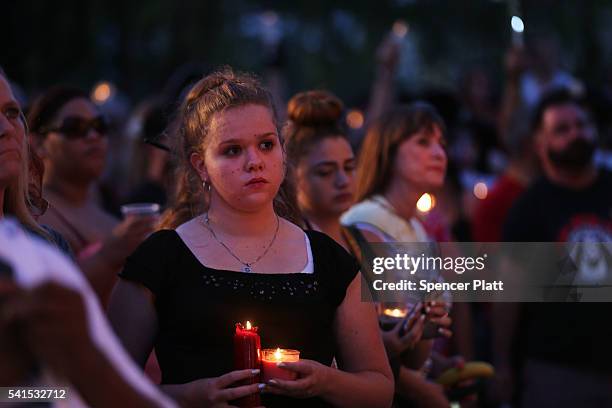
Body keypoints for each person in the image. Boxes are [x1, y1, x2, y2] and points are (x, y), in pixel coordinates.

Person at [108, 69, 394, 408]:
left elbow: (380, 390)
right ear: (201, 166)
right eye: (232, 150)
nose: (255, 162)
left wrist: (326, 381)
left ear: (283, 153)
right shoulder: (160, 258)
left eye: (266, 145)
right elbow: (106, 387)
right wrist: (189, 396)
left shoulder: (329, 260)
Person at [0, 67, 176, 408]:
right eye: (75, 129)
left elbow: (57, 393)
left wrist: (87, 368)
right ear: (42, 143)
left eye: (11, 112)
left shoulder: (38, 249)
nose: (5, 129)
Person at [496, 89, 612, 407]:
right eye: (562, 129)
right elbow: (509, 294)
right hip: (556, 370)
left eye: (582, 124)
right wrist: (503, 363)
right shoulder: (529, 208)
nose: (577, 133)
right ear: (540, 143)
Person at [341, 103, 455, 408]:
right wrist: (423, 390)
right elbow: (368, 346)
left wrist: (438, 366)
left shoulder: (417, 229)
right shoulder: (365, 223)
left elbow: (416, 348)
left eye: (441, 145)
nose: (439, 154)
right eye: (423, 142)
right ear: (389, 152)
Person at [27, 86, 157, 302]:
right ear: (38, 143)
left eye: (100, 126)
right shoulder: (31, 215)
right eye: (75, 127)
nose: (93, 136)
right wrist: (109, 253)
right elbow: (44, 303)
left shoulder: (106, 205)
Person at [283, 89, 357, 250]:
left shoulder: (365, 238)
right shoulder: (291, 248)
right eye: (325, 172)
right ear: (294, 174)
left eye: (349, 167)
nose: (343, 181)